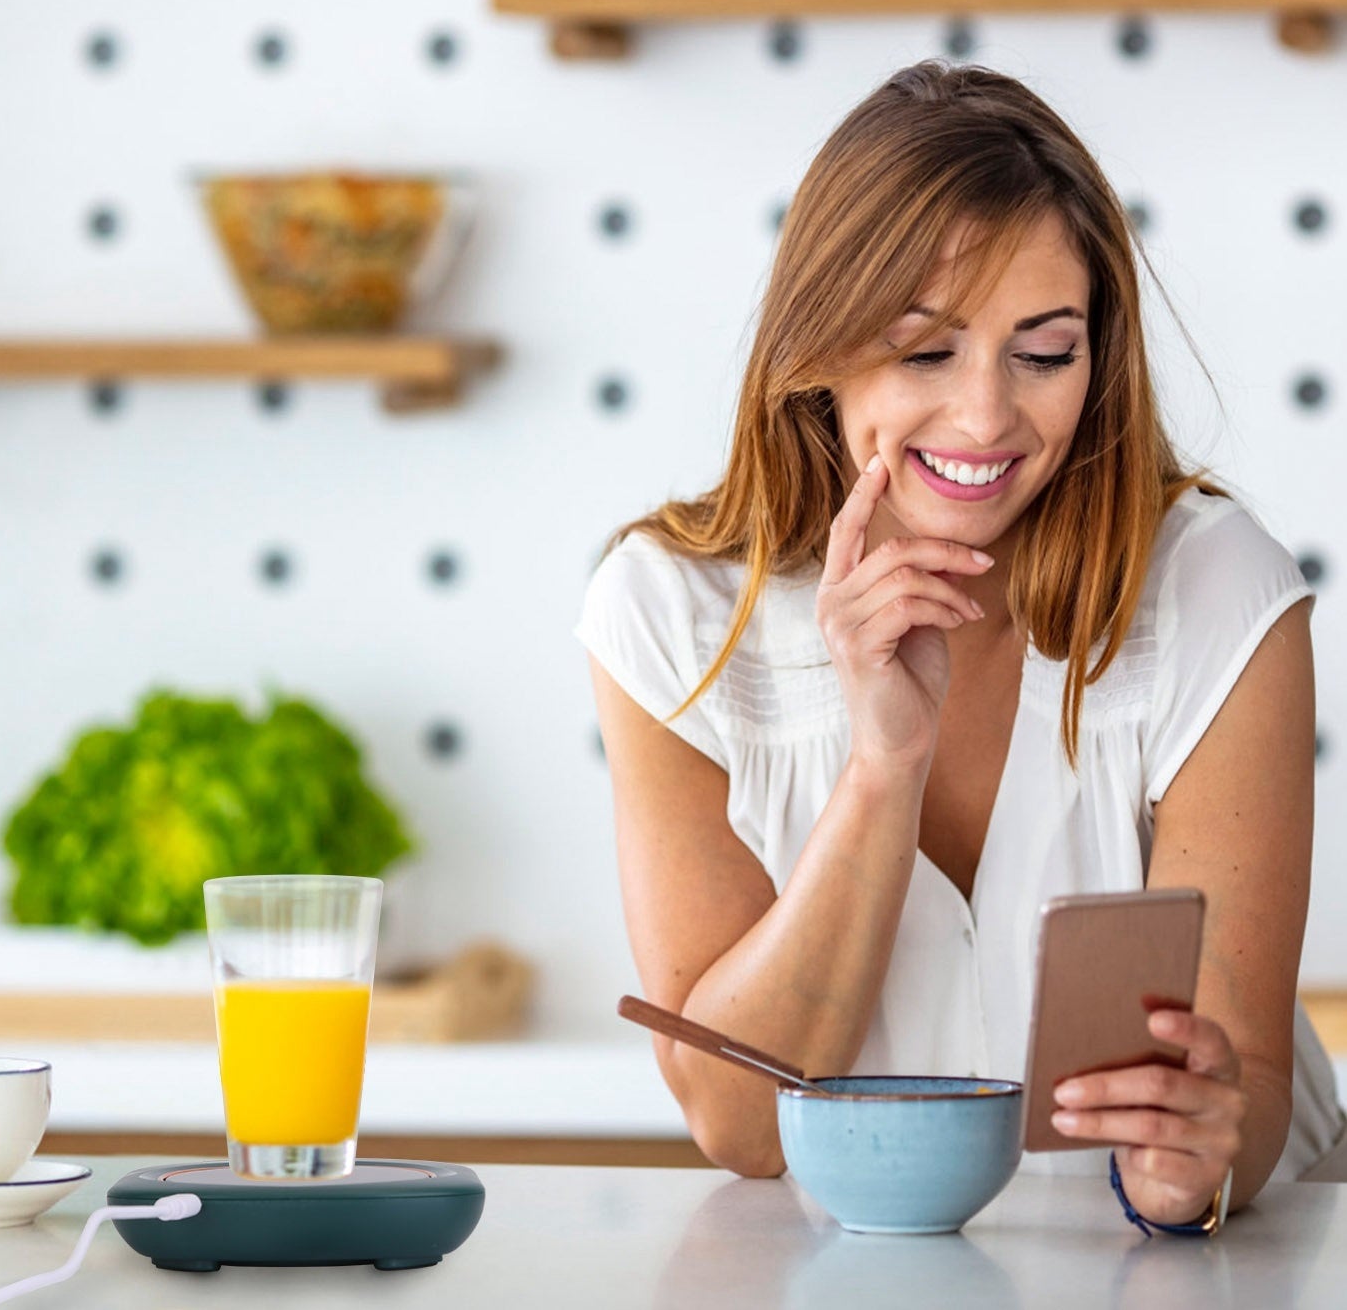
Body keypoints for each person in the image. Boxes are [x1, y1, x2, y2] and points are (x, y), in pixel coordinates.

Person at [576, 60, 1344, 1229]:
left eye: (1044, 354)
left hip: (1215, 1267)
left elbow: (1247, 1082)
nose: (987, 418)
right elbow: (737, 1123)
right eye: (924, 352)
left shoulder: (1216, 589)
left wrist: (1197, 1163)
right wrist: (883, 765)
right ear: (819, 349)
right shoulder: (669, 616)